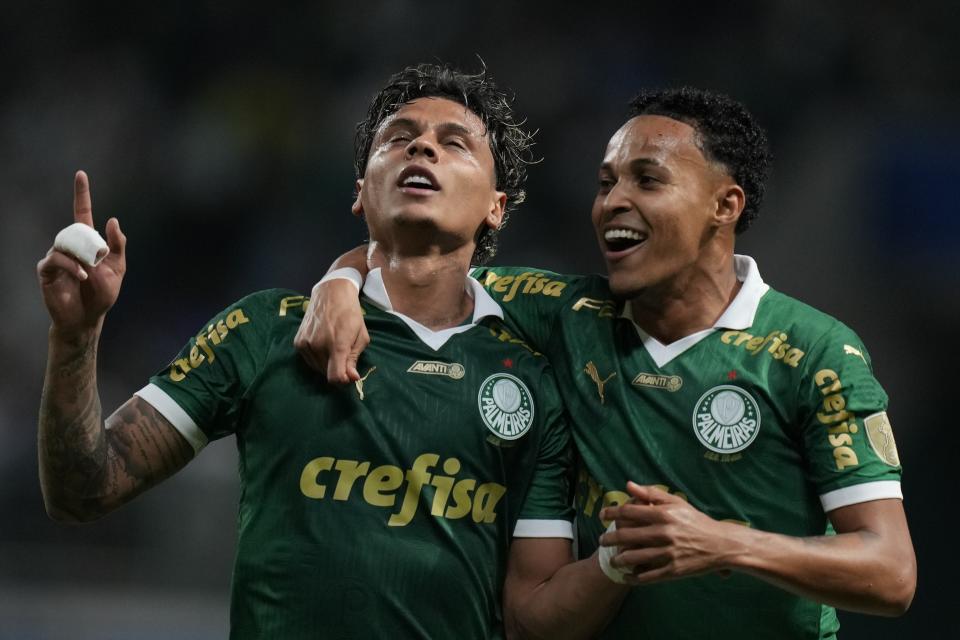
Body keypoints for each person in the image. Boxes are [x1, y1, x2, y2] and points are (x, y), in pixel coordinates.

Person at [296, 87, 917, 639]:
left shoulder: (814, 352)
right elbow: (421, 264)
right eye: (605, 182)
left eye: (647, 180)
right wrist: (339, 281)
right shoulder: (567, 313)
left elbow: (890, 574)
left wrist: (721, 541)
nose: (612, 202)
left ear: (724, 207)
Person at [36, 63, 629, 639]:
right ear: (359, 194)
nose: (421, 149)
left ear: (496, 207)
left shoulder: (531, 381)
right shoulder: (264, 330)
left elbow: (533, 617)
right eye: (398, 139)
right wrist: (76, 338)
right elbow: (82, 491)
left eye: (455, 144)